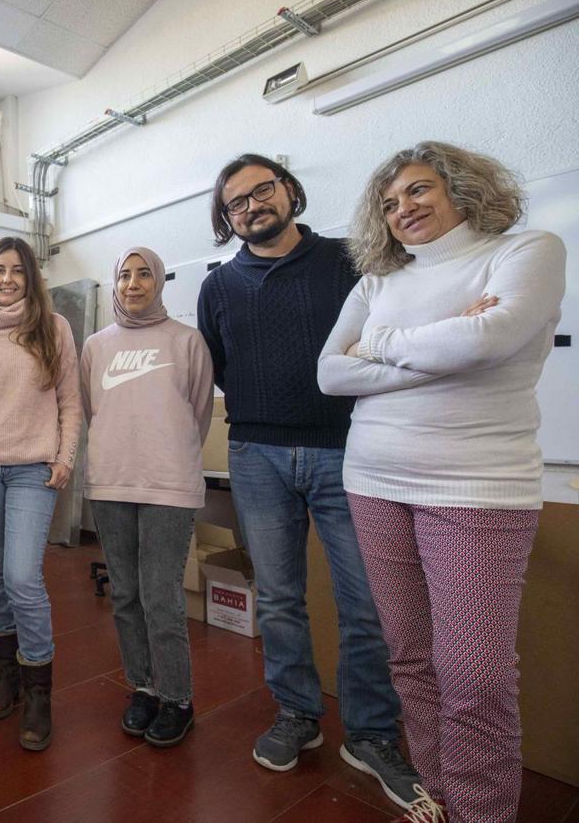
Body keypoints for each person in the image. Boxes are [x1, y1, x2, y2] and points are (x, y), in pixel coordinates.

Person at [318, 141, 566, 823]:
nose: (405, 209)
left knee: (476, 678)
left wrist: (380, 346)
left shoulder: (527, 250)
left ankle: (482, 813)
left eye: (419, 191)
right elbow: (329, 374)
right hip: (372, 480)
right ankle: (444, 797)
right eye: (390, 203)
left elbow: (489, 340)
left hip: (477, 489)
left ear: (460, 187)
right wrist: (443, 338)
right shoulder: (375, 284)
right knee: (410, 659)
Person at [197, 154, 420, 809]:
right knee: (279, 599)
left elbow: (382, 338)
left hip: (346, 450)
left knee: (365, 603)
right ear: (227, 219)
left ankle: (372, 734)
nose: (252, 206)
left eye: (262, 190)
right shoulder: (218, 288)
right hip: (256, 453)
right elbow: (219, 364)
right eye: (236, 202)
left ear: (289, 192)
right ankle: (297, 713)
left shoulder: (350, 261)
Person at [0, 236, 81, 752]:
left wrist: (65, 456)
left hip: (32, 469)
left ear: (31, 277)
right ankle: (6, 672)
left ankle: (38, 688)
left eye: (17, 271)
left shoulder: (54, 328)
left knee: (23, 577)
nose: (6, 279)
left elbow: (70, 401)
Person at [81, 246, 214, 748]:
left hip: (168, 485)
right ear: (114, 284)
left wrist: (169, 458)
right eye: (123, 275)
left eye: (143, 275)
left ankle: (177, 698)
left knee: (161, 597)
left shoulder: (187, 340)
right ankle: (142, 687)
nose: (133, 284)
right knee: (125, 595)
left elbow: (198, 411)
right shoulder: (95, 345)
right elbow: (94, 409)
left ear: (158, 282)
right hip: (112, 483)